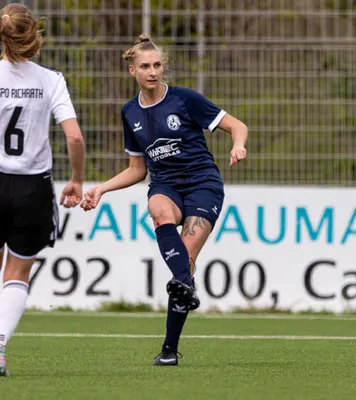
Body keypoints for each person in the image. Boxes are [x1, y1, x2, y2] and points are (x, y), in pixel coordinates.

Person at [81, 33, 248, 366]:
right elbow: (137, 170)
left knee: (184, 261)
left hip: (202, 184)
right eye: (145, 66)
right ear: (132, 70)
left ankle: (169, 349)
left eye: (157, 65)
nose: (153, 71)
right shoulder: (130, 112)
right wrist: (102, 188)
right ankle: (187, 286)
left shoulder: (185, 99)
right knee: (158, 210)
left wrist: (238, 145)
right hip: (165, 185)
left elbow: (237, 125)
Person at [0, 3, 85, 376]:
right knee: (17, 272)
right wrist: (77, 179)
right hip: (32, 186)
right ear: (34, 33)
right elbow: (74, 137)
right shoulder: (51, 80)